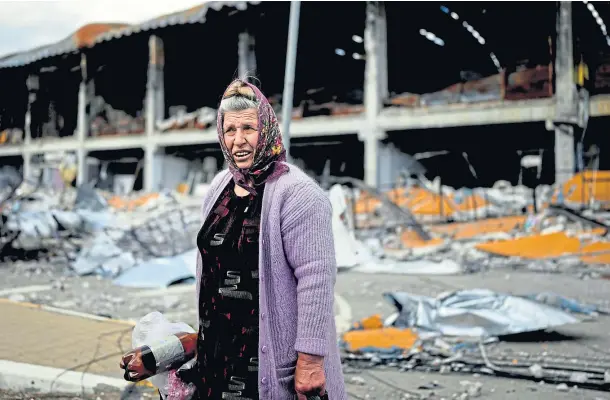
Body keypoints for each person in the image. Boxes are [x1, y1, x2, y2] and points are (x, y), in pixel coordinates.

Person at [183, 78, 346, 400]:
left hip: (268, 357)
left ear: (267, 130)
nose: (238, 140)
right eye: (230, 130)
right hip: (218, 353)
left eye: (248, 129)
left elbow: (316, 279)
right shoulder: (220, 186)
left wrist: (311, 360)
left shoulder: (299, 194)